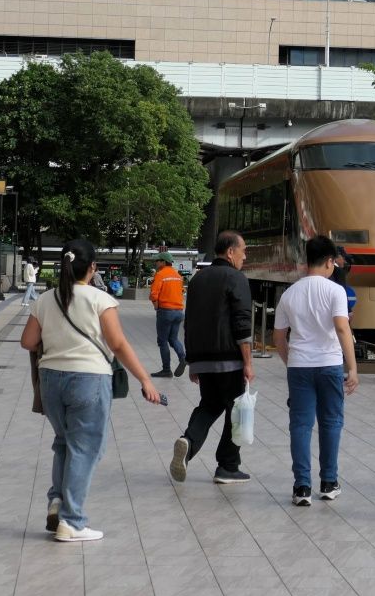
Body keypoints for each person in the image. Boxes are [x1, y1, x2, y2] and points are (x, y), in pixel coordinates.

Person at [19, 239, 159, 541]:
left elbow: (28, 342)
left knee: (64, 442)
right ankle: (72, 521)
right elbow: (117, 344)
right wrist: (145, 379)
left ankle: (57, 501)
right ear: (92, 267)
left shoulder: (45, 299)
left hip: (51, 380)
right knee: (84, 448)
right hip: (89, 379)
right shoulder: (100, 299)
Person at [274, 236, 358, 506]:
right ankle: (329, 482)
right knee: (331, 422)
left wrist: (291, 361)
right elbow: (342, 328)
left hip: (299, 366)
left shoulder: (289, 293)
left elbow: (279, 337)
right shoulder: (335, 291)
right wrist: (352, 367)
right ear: (330, 262)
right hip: (330, 364)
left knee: (300, 425)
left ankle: (302, 487)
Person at [171, 231, 255, 486]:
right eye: (243, 250)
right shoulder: (236, 278)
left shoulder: (198, 279)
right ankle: (228, 466)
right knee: (235, 410)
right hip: (229, 359)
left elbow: (190, 321)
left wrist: (192, 361)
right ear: (230, 251)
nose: (244, 256)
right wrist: (248, 362)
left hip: (203, 359)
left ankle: (189, 440)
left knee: (210, 405)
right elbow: (242, 322)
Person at [149, 251, 187, 378]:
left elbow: (154, 294)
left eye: (157, 261)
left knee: (162, 341)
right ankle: (183, 357)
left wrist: (156, 305)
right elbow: (181, 291)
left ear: (163, 262)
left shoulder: (160, 274)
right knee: (173, 338)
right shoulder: (177, 275)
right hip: (179, 312)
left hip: (165, 311)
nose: (156, 263)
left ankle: (166, 370)